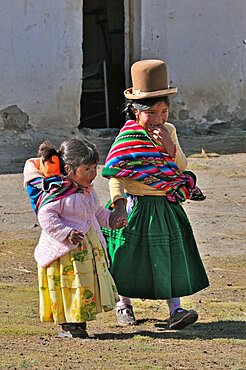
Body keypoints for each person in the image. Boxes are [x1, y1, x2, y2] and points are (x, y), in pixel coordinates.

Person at [102, 59, 209, 330]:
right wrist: (118, 205)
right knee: (126, 255)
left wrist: (170, 146)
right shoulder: (127, 138)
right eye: (153, 113)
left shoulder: (169, 132)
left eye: (164, 112)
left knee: (169, 255)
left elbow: (181, 166)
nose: (160, 119)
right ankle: (123, 304)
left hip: (165, 206)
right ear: (136, 112)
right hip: (135, 207)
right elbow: (116, 173)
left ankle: (176, 309)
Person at [23, 138, 121, 338]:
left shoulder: (87, 191)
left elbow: (96, 212)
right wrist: (66, 233)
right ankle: (69, 324)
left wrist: (112, 220)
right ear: (69, 168)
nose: (93, 174)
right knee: (69, 285)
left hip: (86, 250)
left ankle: (80, 321)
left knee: (83, 285)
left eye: (94, 167)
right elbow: (46, 216)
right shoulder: (58, 192)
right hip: (66, 253)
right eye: (87, 169)